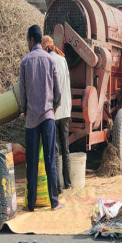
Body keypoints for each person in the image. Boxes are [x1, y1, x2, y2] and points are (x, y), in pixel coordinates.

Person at [18, 25, 63, 211]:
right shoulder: (50, 60)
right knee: (50, 159)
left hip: (31, 119)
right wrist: (53, 107)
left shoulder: (25, 62)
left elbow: (22, 92)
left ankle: (30, 204)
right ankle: (54, 202)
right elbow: (57, 92)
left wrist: (24, 109)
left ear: (30, 40)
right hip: (48, 117)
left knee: (32, 162)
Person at [42, 35, 72, 192]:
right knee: (66, 149)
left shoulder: (48, 61)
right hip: (66, 110)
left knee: (55, 150)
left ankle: (58, 187)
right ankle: (68, 183)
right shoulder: (63, 59)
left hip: (54, 111)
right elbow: (66, 84)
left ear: (46, 47)